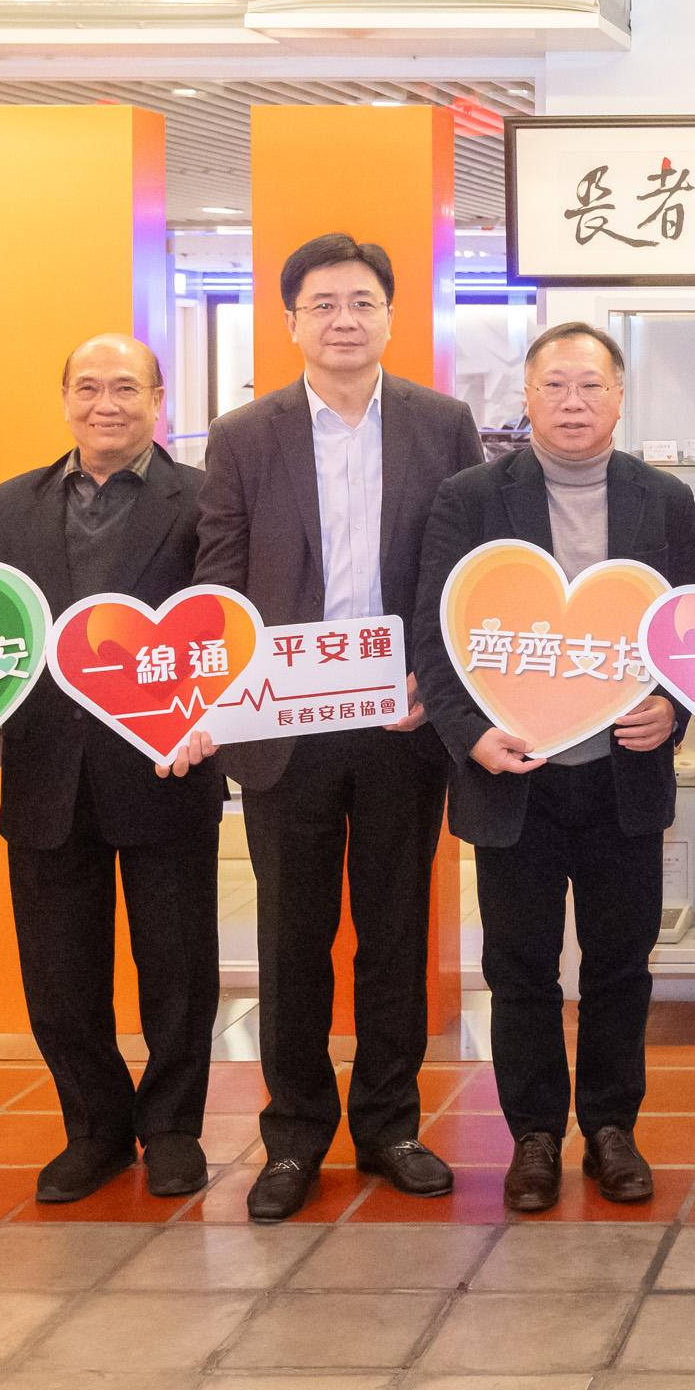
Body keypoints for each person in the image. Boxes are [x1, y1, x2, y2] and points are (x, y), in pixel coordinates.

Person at [190, 233, 484, 1223]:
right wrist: (234, 693)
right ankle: (295, 1134)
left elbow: (463, 570)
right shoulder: (244, 435)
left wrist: (434, 681)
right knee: (293, 935)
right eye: (323, 304)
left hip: (400, 717)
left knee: (396, 930)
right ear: (291, 320)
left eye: (361, 301)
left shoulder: (442, 424)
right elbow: (218, 579)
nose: (344, 320)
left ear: (391, 314)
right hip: (285, 725)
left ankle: (391, 1124)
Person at [411, 321, 695, 1213]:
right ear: (526, 399)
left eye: (591, 387)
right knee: (521, 966)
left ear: (620, 398)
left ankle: (612, 1130)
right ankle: (535, 1136)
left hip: (622, 773)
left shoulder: (663, 500)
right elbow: (435, 632)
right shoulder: (469, 497)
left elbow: (686, 631)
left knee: (621, 963)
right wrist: (469, 736)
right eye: (555, 388)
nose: (573, 404)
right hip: (515, 774)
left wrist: (674, 707)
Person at [0, 334, 224, 1205]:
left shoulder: (204, 501)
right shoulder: (6, 506)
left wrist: (213, 717)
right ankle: (95, 1130)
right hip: (46, 767)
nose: (105, 404)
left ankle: (174, 1131)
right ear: (65, 397)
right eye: (88, 387)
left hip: (166, 764)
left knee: (180, 966)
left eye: (125, 388)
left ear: (159, 397)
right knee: (59, 972)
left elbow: (229, 622)